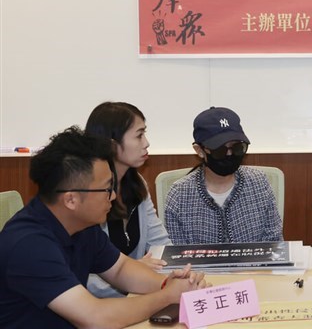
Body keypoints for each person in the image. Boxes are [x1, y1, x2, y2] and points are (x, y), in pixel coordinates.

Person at [0, 127, 208, 329]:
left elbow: (120, 269)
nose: (114, 196)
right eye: (107, 189)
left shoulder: (81, 225)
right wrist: (166, 296)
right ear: (71, 199)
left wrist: (166, 284)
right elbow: (95, 318)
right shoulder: (29, 245)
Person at [84, 102, 171, 298]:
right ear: (111, 144)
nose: (146, 143)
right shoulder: (87, 193)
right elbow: (79, 278)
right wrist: (130, 274)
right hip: (96, 306)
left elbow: (161, 245)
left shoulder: (136, 182)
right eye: (139, 135)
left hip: (138, 294)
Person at [164, 107, 283, 244]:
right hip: (196, 266)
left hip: (255, 266)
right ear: (200, 150)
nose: (229, 154)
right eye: (220, 149)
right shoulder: (180, 194)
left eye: (237, 147)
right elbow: (177, 255)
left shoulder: (259, 183)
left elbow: (274, 243)